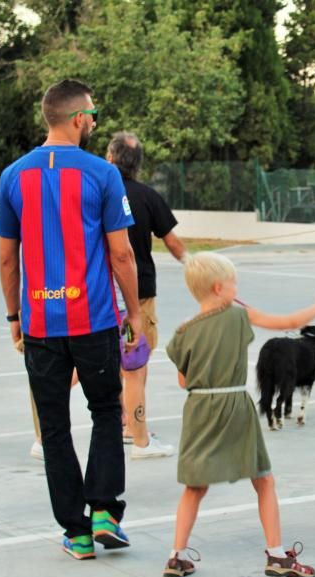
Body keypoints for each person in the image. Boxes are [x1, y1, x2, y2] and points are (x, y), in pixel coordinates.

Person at [0, 79, 141, 561]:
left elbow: (6, 259)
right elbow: (121, 254)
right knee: (104, 411)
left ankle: (76, 533)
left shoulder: (13, 175)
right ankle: (104, 512)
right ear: (79, 118)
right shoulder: (103, 173)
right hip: (93, 319)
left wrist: (15, 315)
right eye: (92, 115)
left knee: (54, 427)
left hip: (40, 324)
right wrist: (134, 312)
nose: (95, 122)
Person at [163, 252, 315, 577]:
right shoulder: (238, 316)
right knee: (263, 480)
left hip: (199, 410)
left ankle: (176, 556)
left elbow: (183, 381)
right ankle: (277, 555)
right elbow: (289, 323)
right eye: (234, 282)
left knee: (194, 486)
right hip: (233, 405)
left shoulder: (183, 332)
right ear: (219, 287)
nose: (237, 286)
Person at [106, 131, 187, 459]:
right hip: (136, 300)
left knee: (102, 364)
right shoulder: (147, 196)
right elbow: (172, 242)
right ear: (138, 165)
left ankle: (126, 423)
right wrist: (195, 266)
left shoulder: (99, 194)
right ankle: (138, 438)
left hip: (103, 297)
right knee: (135, 366)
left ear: (110, 158)